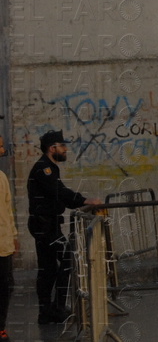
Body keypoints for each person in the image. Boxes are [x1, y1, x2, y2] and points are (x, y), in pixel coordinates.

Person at [27, 130, 101, 324]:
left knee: (49, 268)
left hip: (49, 225)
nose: (65, 149)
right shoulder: (44, 169)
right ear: (53, 148)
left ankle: (48, 311)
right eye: (62, 146)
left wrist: (79, 202)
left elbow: (59, 195)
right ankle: (55, 308)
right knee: (66, 260)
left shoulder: (50, 167)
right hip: (44, 226)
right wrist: (84, 200)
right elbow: (59, 192)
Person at [0, 135, 16, 342]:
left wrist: (13, 235)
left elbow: (8, 210)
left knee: (5, 286)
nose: (2, 150)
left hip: (3, 244)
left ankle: (0, 327)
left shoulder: (2, 177)